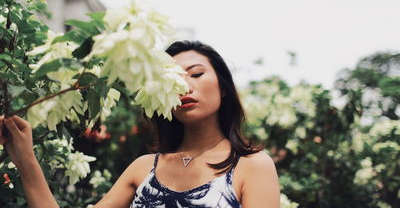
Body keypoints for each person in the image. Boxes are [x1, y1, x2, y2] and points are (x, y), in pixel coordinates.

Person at [0, 40, 280, 208]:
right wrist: (25, 158)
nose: (183, 86)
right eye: (171, 79)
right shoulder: (144, 168)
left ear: (225, 87)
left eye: (196, 74)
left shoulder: (251, 166)